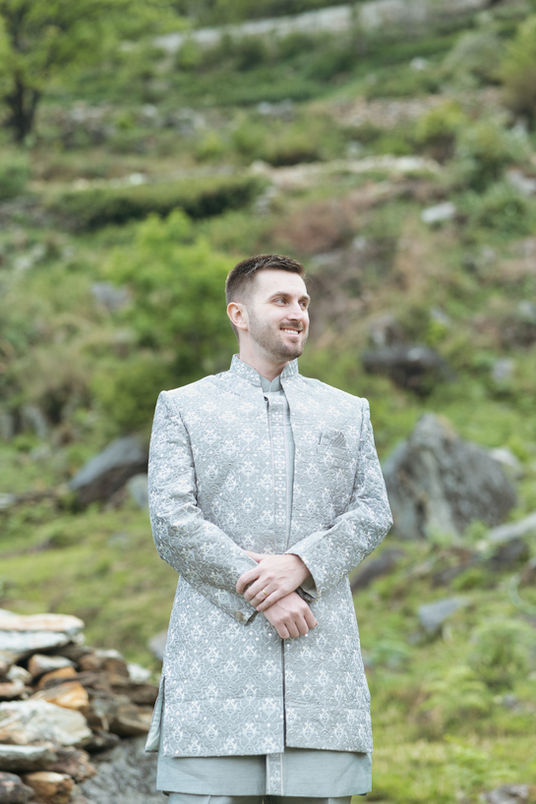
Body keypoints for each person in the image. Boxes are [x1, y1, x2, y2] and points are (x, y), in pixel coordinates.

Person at [145, 254, 393, 804]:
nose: (297, 312)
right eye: (280, 300)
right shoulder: (185, 408)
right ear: (238, 314)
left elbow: (373, 511)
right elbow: (171, 520)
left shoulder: (346, 411)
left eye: (303, 302)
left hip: (320, 671)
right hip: (216, 674)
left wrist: (301, 565)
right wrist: (266, 590)